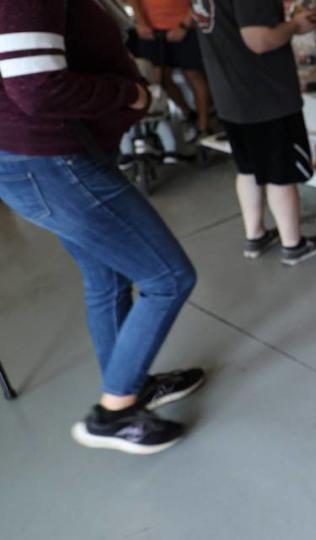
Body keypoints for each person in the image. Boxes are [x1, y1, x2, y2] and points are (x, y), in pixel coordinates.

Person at [0, 0, 205, 454]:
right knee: (167, 277)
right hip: (51, 159)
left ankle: (130, 384)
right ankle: (113, 414)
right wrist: (129, 95)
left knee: (105, 276)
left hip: (46, 156)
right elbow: (34, 87)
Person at [193, 0, 316, 266]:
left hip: (229, 95)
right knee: (280, 173)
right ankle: (294, 245)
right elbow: (258, 39)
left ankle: (255, 235)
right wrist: (295, 25)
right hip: (265, 96)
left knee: (248, 169)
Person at [128, 0, 212, 139]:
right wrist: (141, 22)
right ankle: (188, 114)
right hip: (152, 29)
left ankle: (203, 125)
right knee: (160, 78)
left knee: (194, 74)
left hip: (185, 26)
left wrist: (185, 25)